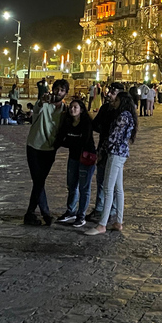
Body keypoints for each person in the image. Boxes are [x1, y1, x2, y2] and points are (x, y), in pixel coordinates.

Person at [86, 92, 137, 236]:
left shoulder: (122, 116)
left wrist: (101, 151)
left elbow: (113, 137)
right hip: (121, 153)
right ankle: (118, 221)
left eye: (117, 100)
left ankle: (102, 224)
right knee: (118, 188)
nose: (114, 102)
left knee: (108, 188)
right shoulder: (128, 115)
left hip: (115, 153)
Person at [23, 79, 69, 226]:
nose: (58, 92)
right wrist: (42, 101)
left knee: (40, 181)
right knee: (38, 181)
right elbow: (37, 110)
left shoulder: (65, 110)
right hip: (34, 146)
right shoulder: (44, 103)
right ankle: (42, 213)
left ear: (66, 93)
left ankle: (33, 214)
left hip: (50, 149)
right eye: (56, 89)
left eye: (62, 90)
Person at [54, 99, 96, 228]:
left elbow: (84, 141)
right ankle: (71, 211)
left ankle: (81, 215)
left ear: (81, 109)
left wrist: (69, 141)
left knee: (84, 188)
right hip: (73, 157)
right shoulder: (67, 122)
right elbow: (61, 138)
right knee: (72, 185)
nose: (72, 109)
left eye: (75, 107)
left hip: (86, 158)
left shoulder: (86, 123)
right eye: (71, 107)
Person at [86, 82, 124, 222]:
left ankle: (112, 211)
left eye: (113, 92)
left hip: (114, 152)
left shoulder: (122, 112)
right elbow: (95, 125)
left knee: (113, 183)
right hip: (102, 147)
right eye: (109, 91)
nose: (108, 94)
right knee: (101, 180)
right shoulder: (105, 108)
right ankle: (100, 208)